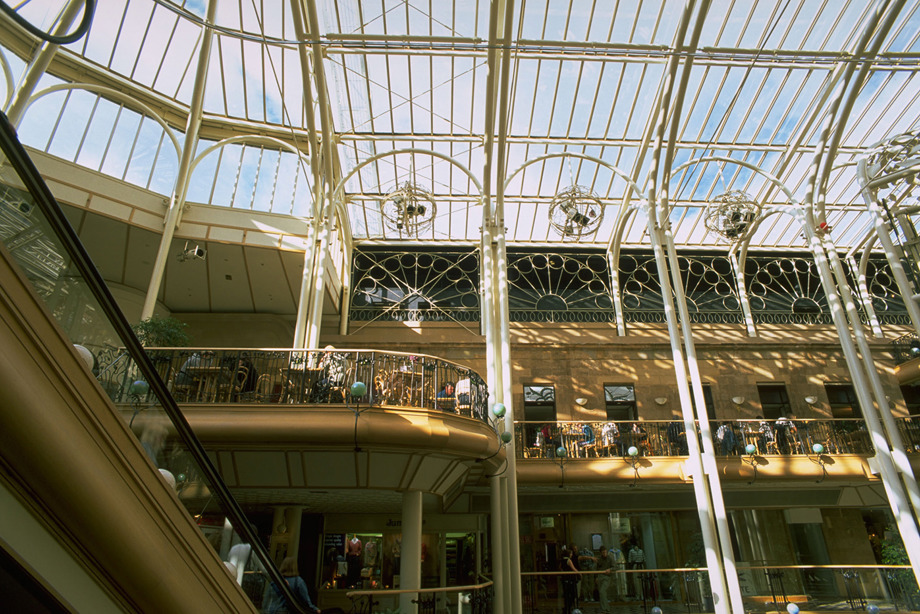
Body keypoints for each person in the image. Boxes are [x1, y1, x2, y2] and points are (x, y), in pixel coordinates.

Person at [560, 546, 580, 614]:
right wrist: (580, 574)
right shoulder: (569, 560)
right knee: (572, 595)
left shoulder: (562, 560)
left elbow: (560, 568)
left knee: (566, 595)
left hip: (564, 580)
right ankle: (569, 608)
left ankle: (566, 609)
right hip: (570, 580)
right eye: (571, 553)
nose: (572, 555)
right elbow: (573, 569)